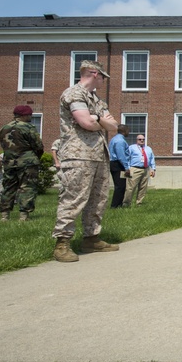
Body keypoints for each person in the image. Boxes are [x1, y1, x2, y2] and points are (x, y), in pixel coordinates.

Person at [52, 59, 120, 262]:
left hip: (99, 154)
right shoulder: (74, 93)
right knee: (74, 197)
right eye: (102, 78)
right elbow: (85, 122)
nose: (103, 82)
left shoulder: (98, 101)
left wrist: (97, 119)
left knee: (98, 199)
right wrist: (100, 120)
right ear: (94, 74)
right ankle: (62, 243)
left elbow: (114, 126)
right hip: (78, 154)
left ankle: (91, 238)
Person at [0, 105, 45, 221]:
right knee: (27, 187)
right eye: (29, 115)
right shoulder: (28, 127)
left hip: (9, 162)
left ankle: (4, 216)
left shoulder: (4, 128)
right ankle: (24, 216)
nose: (31, 117)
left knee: (8, 187)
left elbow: (4, 145)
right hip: (27, 162)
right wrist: (36, 157)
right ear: (24, 115)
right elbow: (38, 146)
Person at [123, 134, 155, 207]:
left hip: (146, 169)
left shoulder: (148, 149)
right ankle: (126, 203)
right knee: (130, 187)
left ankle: (139, 203)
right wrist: (127, 168)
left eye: (143, 139)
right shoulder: (131, 148)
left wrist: (153, 169)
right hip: (135, 168)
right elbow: (127, 158)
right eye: (140, 139)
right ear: (136, 140)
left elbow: (152, 159)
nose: (142, 140)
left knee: (143, 187)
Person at [108, 124, 130, 208]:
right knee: (120, 186)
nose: (129, 132)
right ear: (124, 131)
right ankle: (115, 206)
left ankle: (118, 204)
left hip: (115, 163)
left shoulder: (114, 139)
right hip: (118, 164)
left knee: (120, 185)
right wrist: (126, 167)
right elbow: (121, 155)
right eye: (128, 131)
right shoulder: (120, 141)